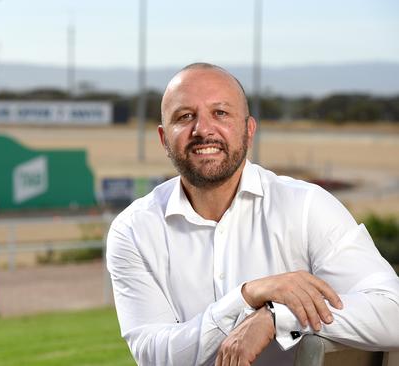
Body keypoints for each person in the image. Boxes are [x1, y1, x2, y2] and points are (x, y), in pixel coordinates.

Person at [106, 62, 399, 366]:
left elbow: (393, 311)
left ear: (249, 129)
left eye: (220, 113)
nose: (203, 129)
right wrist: (246, 297)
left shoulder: (307, 206)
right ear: (164, 138)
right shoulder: (133, 230)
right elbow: (156, 357)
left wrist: (279, 317)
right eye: (185, 116)